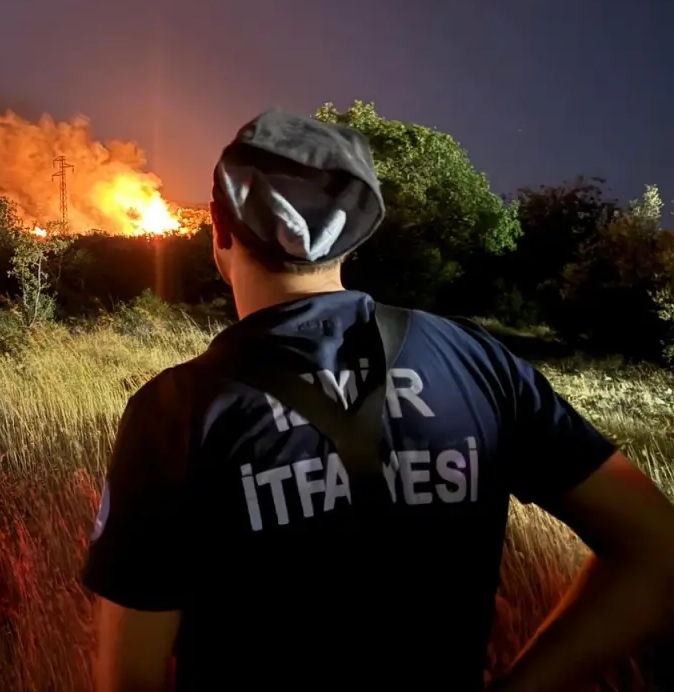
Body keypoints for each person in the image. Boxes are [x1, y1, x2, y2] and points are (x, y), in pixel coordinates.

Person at [83, 108, 674, 692]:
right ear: (355, 232)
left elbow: (130, 676)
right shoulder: (477, 361)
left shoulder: (177, 412)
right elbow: (657, 550)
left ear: (219, 228)